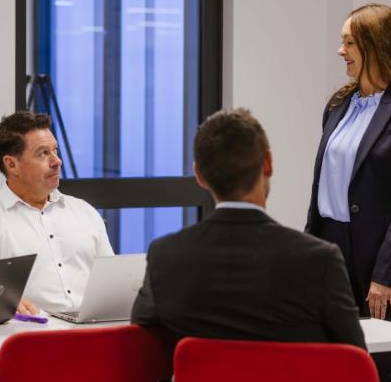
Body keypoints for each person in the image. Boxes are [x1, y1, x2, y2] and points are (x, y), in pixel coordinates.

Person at [132, 108, 365, 349]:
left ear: (199, 175)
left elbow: (138, 344)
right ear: (268, 164)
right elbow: (356, 365)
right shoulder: (320, 261)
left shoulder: (165, 258)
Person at [306, 3, 391, 382]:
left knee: (384, 370)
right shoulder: (338, 105)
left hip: (383, 257)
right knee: (334, 365)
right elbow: (321, 189)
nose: (340, 50)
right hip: (331, 252)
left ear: (375, 46)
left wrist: (386, 274)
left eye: (349, 42)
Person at [0, 111, 114, 314]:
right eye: (43, 153)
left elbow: (112, 280)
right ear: (12, 165)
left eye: (55, 150)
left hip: (94, 332)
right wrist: (0, 303)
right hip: (33, 336)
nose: (57, 161)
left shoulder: (84, 212)